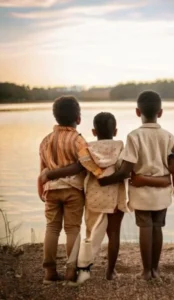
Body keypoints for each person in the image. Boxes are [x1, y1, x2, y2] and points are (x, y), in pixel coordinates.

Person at [42, 112, 128, 284]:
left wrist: (47, 177)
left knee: (88, 234)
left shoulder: (88, 147)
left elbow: (83, 165)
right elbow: (124, 168)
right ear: (116, 130)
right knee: (112, 233)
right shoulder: (120, 146)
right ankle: (109, 272)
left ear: (94, 131)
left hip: (93, 198)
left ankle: (81, 270)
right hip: (114, 198)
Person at [98, 91, 174, 280]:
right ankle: (156, 270)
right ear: (161, 112)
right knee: (157, 228)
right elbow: (172, 165)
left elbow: (125, 171)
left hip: (141, 194)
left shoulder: (134, 136)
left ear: (137, 111)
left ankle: (146, 271)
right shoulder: (169, 137)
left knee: (145, 228)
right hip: (162, 192)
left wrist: (105, 180)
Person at [38, 96, 89, 285]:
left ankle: (49, 272)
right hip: (73, 190)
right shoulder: (77, 140)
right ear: (78, 118)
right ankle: (70, 271)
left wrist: (41, 188)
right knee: (72, 229)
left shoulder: (46, 141)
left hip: (51, 190)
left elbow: (42, 169)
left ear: (55, 117)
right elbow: (85, 164)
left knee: (51, 228)